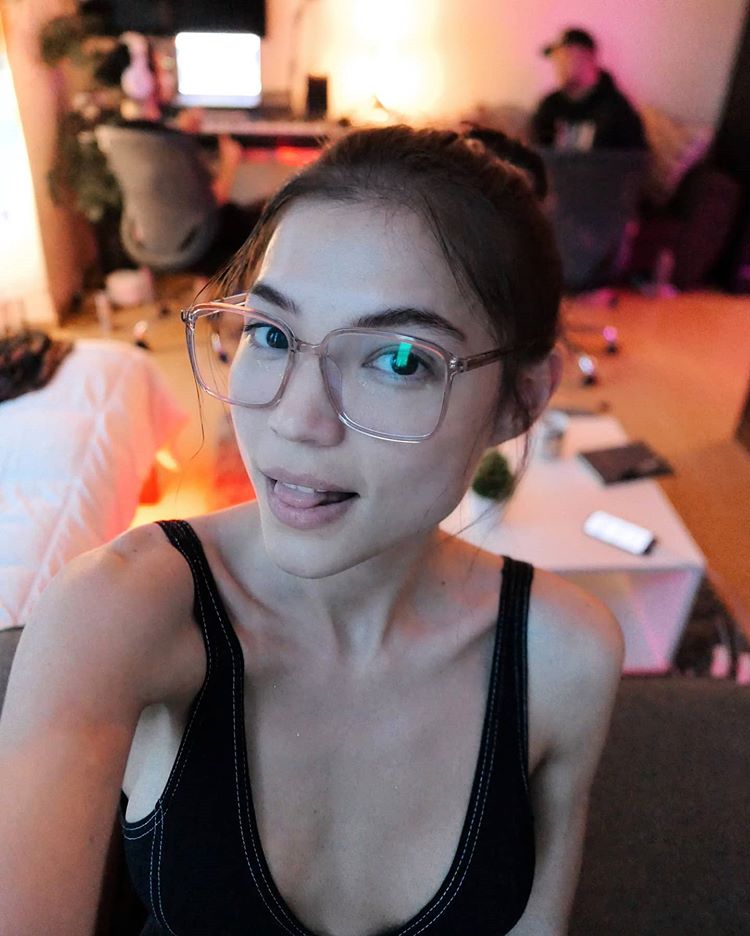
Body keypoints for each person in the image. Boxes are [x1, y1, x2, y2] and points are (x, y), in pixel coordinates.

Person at [0, 125, 624, 935]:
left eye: (399, 359)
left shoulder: (564, 656)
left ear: (522, 399)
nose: (296, 420)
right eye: (270, 335)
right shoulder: (115, 613)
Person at [531, 27, 647, 151]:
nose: (559, 65)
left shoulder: (617, 108)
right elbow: (536, 152)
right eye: (556, 59)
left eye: (566, 56)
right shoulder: (549, 105)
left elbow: (636, 158)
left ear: (588, 58)